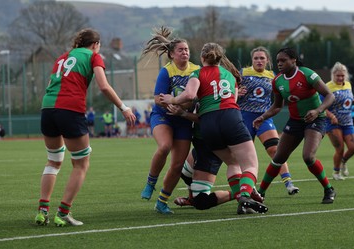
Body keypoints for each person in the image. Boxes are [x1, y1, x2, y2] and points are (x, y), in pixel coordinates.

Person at [34, 28, 136, 227]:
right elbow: (104, 86)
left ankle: (42, 211)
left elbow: (51, 83)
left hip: (48, 108)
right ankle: (63, 213)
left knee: (53, 161)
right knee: (81, 164)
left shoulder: (62, 58)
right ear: (95, 44)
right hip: (70, 109)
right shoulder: (94, 56)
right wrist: (123, 107)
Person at [160, 42, 268, 214]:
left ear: (202, 58)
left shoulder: (197, 73)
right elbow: (231, 100)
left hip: (208, 124)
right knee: (249, 164)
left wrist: (171, 99)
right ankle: (245, 194)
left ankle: (242, 199)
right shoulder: (230, 76)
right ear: (220, 58)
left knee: (232, 162)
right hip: (229, 118)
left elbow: (189, 95)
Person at [253, 47, 336, 204]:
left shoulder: (307, 74)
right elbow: (277, 106)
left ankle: (329, 189)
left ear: (294, 60)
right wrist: (263, 117)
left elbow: (330, 96)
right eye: (278, 61)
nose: (279, 63)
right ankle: (260, 193)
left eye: (283, 60)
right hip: (295, 121)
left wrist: (318, 111)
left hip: (316, 120)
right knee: (278, 157)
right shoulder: (277, 81)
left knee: (308, 157)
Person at [139, 27, 199, 214]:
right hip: (163, 115)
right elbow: (158, 98)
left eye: (187, 49)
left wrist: (185, 108)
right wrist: (172, 105)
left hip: (183, 120)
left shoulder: (197, 70)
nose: (185, 52)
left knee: (178, 165)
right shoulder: (167, 71)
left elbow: (199, 96)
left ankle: (162, 201)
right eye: (181, 50)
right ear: (172, 54)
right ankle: (151, 182)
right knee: (164, 146)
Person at [238, 46, 299, 196]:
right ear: (251, 60)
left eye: (262, 58)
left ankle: (288, 182)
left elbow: (280, 97)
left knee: (275, 150)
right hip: (245, 117)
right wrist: (237, 92)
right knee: (245, 156)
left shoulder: (273, 76)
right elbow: (229, 93)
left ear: (267, 61)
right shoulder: (242, 74)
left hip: (264, 118)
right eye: (256, 58)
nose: (259, 61)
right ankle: (247, 188)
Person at [323, 62, 354, 180]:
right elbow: (321, 106)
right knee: (340, 148)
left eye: (342, 76)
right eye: (338, 75)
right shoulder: (327, 87)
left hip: (347, 122)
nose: (340, 78)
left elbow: (346, 101)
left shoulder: (348, 85)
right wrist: (331, 116)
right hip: (333, 123)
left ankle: (343, 161)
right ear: (333, 75)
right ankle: (336, 172)